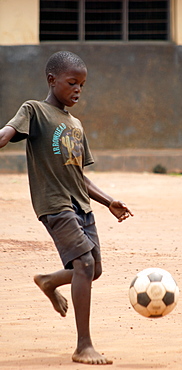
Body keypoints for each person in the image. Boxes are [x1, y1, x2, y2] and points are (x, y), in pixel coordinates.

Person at [0, 51, 133, 365]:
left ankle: (48, 281)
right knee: (84, 265)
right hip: (55, 204)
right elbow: (6, 134)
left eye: (82, 85)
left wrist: (108, 200)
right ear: (52, 80)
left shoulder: (76, 124)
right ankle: (83, 345)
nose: (78, 90)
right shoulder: (35, 111)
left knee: (93, 269)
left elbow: (80, 175)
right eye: (72, 82)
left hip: (81, 206)